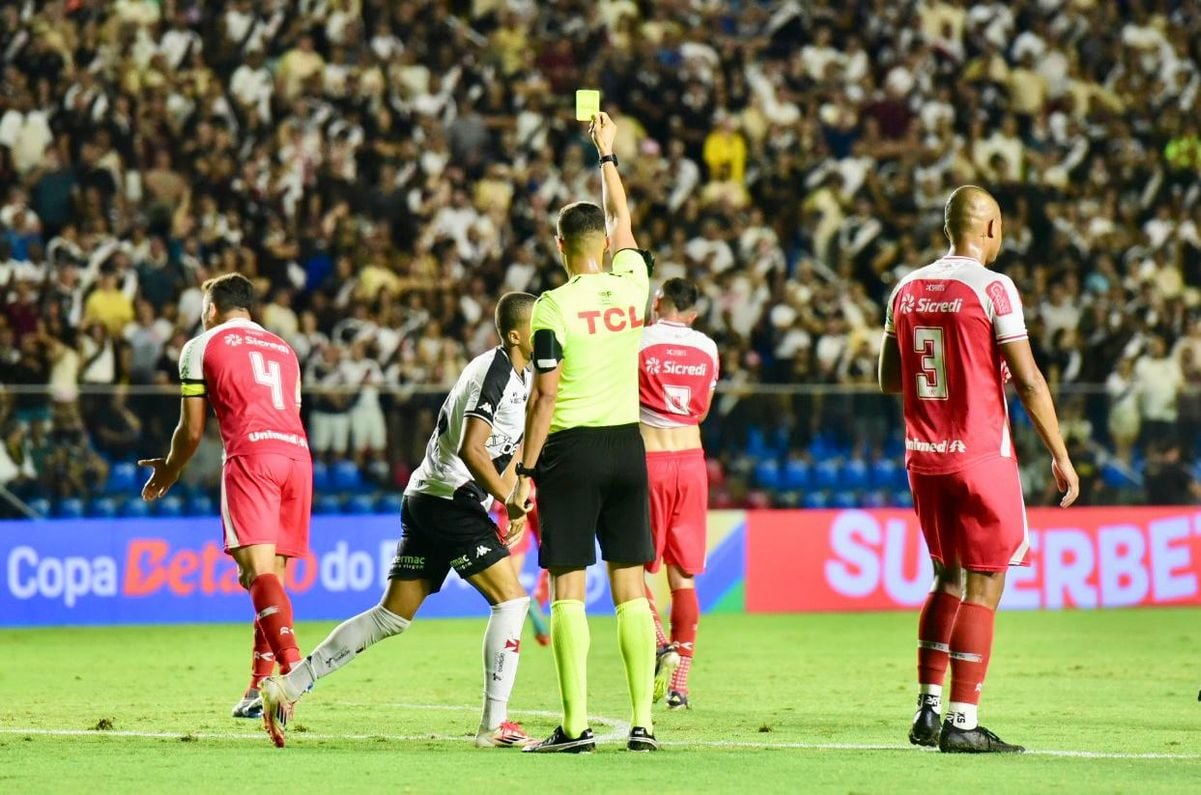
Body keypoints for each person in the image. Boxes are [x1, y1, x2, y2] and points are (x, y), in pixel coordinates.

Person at [260, 293, 540, 749]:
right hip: (450, 500)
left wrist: (510, 497)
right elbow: (473, 448)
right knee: (511, 601)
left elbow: (500, 450)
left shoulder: (521, 376)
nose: (548, 332)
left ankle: (287, 686)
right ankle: (494, 726)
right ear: (515, 335)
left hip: (430, 496)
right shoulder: (496, 373)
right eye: (538, 325)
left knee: (391, 616)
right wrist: (506, 499)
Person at [877, 185, 1079, 754]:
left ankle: (927, 710)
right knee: (985, 587)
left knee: (945, 579)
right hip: (981, 456)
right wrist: (1061, 455)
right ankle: (963, 723)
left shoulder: (906, 287)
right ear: (989, 228)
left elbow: (890, 380)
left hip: (924, 458)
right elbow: (1032, 378)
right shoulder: (995, 287)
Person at [506, 111, 659, 753]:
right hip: (629, 445)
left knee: (568, 584)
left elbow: (543, 395)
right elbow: (621, 218)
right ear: (605, 243)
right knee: (631, 587)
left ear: (560, 245)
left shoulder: (552, 305)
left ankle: (575, 725)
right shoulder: (635, 282)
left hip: (571, 448)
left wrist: (524, 470)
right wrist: (608, 156)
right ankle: (644, 723)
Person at [139, 273, 312, 741]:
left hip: (251, 457)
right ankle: (258, 688)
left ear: (212, 308)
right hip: (297, 458)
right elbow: (289, 411)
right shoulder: (284, 349)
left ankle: (294, 673)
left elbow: (192, 431)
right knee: (268, 578)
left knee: (257, 577)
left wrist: (170, 470)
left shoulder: (201, 345)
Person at [638, 277, 719, 711]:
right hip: (691, 462)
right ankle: (680, 686)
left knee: (633, 567)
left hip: (649, 461)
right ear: (694, 313)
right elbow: (702, 408)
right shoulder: (707, 347)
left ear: (659, 302)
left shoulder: (639, 341)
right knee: (682, 576)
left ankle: (659, 644)